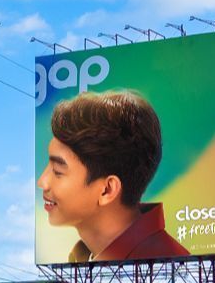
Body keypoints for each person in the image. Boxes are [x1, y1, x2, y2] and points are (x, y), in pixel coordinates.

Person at [39, 90, 192, 263]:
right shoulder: (82, 256)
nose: (42, 182)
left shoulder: (171, 263)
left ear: (107, 190)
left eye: (58, 171)